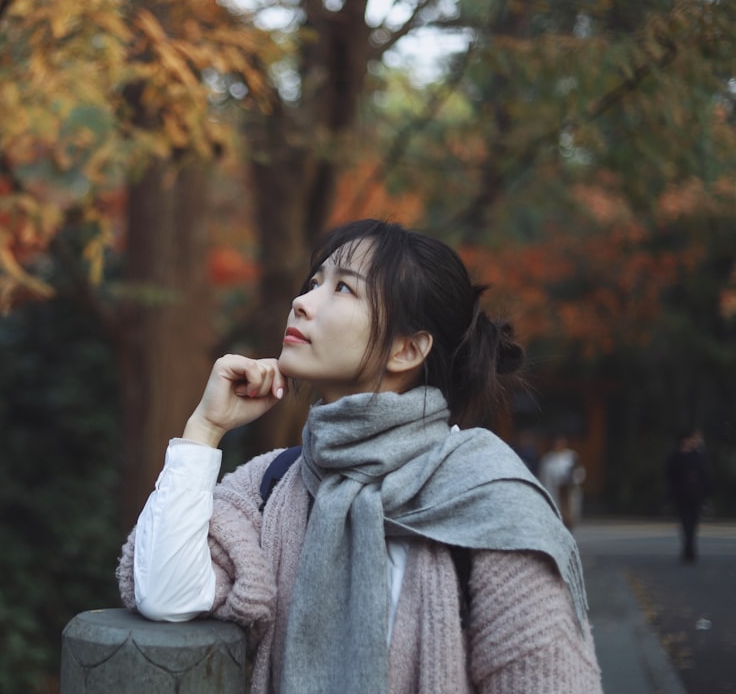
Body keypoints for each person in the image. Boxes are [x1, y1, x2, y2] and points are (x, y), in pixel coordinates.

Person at [116, 220, 601, 694]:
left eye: (343, 289)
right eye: (313, 283)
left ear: (407, 349)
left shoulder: (489, 502)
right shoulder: (275, 483)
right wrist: (205, 429)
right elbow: (165, 593)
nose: (301, 303)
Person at [666, 428, 712, 563]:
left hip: (696, 494)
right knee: (685, 522)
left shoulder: (698, 456)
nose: (693, 442)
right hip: (681, 494)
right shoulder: (674, 456)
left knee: (693, 522)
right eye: (691, 439)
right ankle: (689, 549)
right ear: (684, 441)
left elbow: (705, 475)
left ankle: (689, 549)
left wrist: (706, 492)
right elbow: (670, 476)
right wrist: (670, 493)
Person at [539, 436, 586, 530]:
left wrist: (573, 479)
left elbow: (579, 471)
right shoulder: (548, 459)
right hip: (553, 489)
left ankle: (569, 526)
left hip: (568, 489)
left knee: (570, 511)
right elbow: (543, 476)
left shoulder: (571, 456)